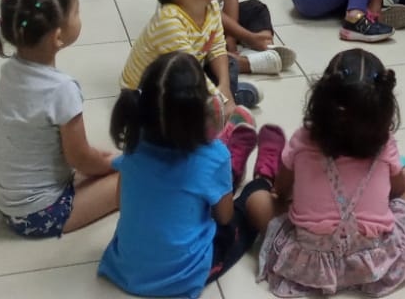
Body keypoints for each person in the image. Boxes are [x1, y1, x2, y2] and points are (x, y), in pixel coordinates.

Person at [98, 52, 285, 297]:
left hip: (126, 269)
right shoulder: (212, 155)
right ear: (203, 111)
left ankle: (228, 174)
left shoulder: (134, 143)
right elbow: (224, 217)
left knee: (202, 186)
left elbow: (120, 202)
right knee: (248, 204)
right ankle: (262, 179)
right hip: (182, 277)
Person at [246, 49, 405, 295]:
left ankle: (263, 174)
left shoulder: (303, 139)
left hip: (310, 262)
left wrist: (299, 197)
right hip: (374, 261)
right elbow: (398, 189)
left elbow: (281, 189)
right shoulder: (385, 144)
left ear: (320, 101)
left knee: (257, 201)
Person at [0, 0, 119, 237]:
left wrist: (102, 160)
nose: (80, 15)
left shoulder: (10, 70)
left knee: (106, 162)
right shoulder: (62, 90)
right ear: (58, 37)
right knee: (130, 177)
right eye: (77, 11)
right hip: (38, 214)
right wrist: (115, 163)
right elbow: (80, 159)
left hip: (6, 198)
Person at [121, 0, 262, 112]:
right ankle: (226, 102)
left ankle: (227, 96)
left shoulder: (211, 7)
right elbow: (190, 72)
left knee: (228, 64)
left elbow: (217, 48)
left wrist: (225, 89)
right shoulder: (169, 21)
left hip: (187, 72)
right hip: (147, 94)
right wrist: (224, 102)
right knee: (182, 101)